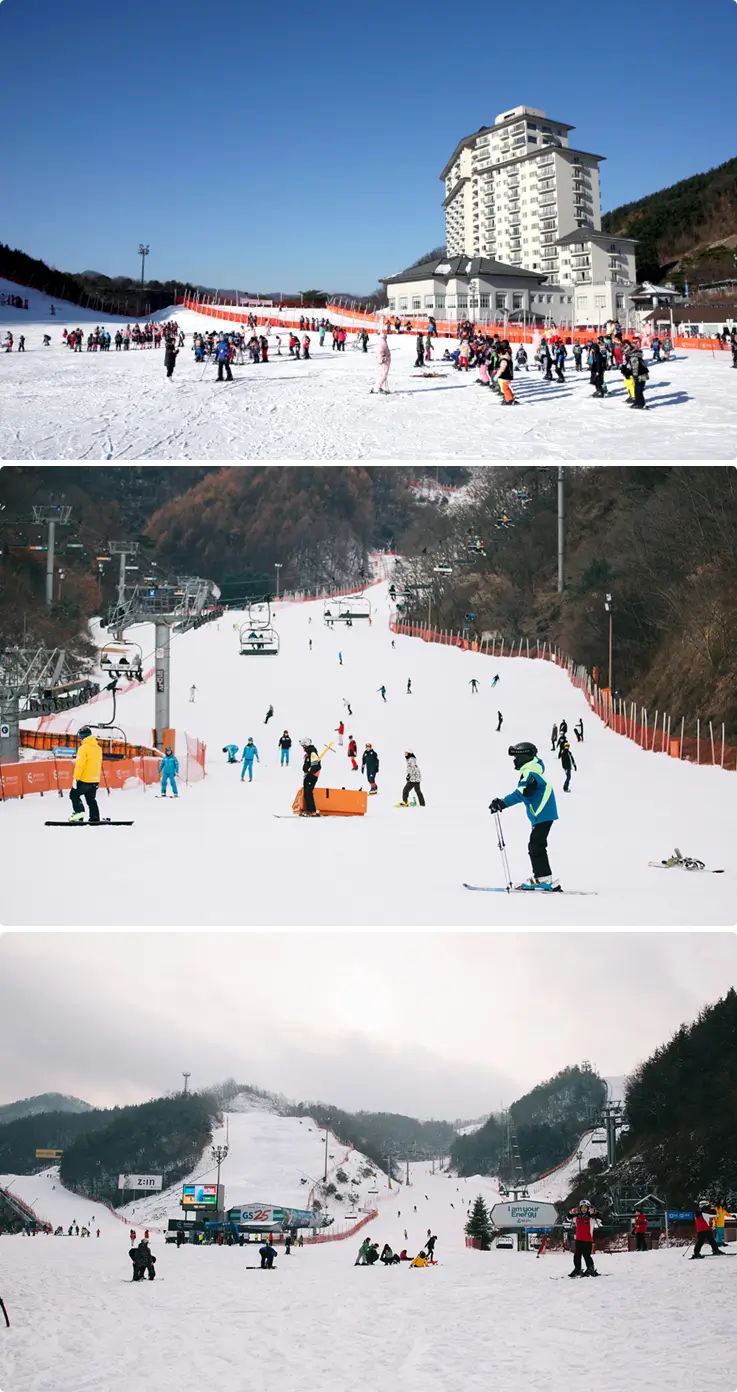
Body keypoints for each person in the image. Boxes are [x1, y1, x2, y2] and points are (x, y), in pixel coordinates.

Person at [489, 742, 558, 889]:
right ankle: (543, 877)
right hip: (543, 814)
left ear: (524, 757)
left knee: (536, 845)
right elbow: (525, 793)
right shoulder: (532, 771)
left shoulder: (530, 773)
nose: (514, 760)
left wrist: (502, 804)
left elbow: (520, 794)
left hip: (543, 814)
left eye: (516, 757)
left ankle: (543, 879)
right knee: (536, 844)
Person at [68, 726, 102, 824]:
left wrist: (75, 778)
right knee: (91, 799)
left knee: (73, 795)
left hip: (85, 779)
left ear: (82, 737)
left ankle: (79, 812)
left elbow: (80, 765)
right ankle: (94, 817)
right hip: (95, 779)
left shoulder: (83, 748)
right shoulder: (98, 748)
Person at [568, 1201, 600, 1276]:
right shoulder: (577, 1217)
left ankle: (590, 1268)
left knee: (587, 1255)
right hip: (579, 1240)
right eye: (582, 1208)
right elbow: (568, 1218)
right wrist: (571, 1212)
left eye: (585, 1207)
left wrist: (595, 1212)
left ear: (588, 1208)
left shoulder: (591, 1218)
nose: (584, 1209)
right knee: (577, 1255)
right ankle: (577, 1269)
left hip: (588, 1240)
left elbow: (599, 1218)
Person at [300, 737, 322, 816]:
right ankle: (309, 809)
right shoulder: (308, 754)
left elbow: (316, 766)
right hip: (308, 776)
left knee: (308, 792)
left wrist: (309, 774)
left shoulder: (312, 753)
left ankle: (311, 810)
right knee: (307, 792)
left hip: (312, 776)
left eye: (303, 746)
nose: (302, 748)